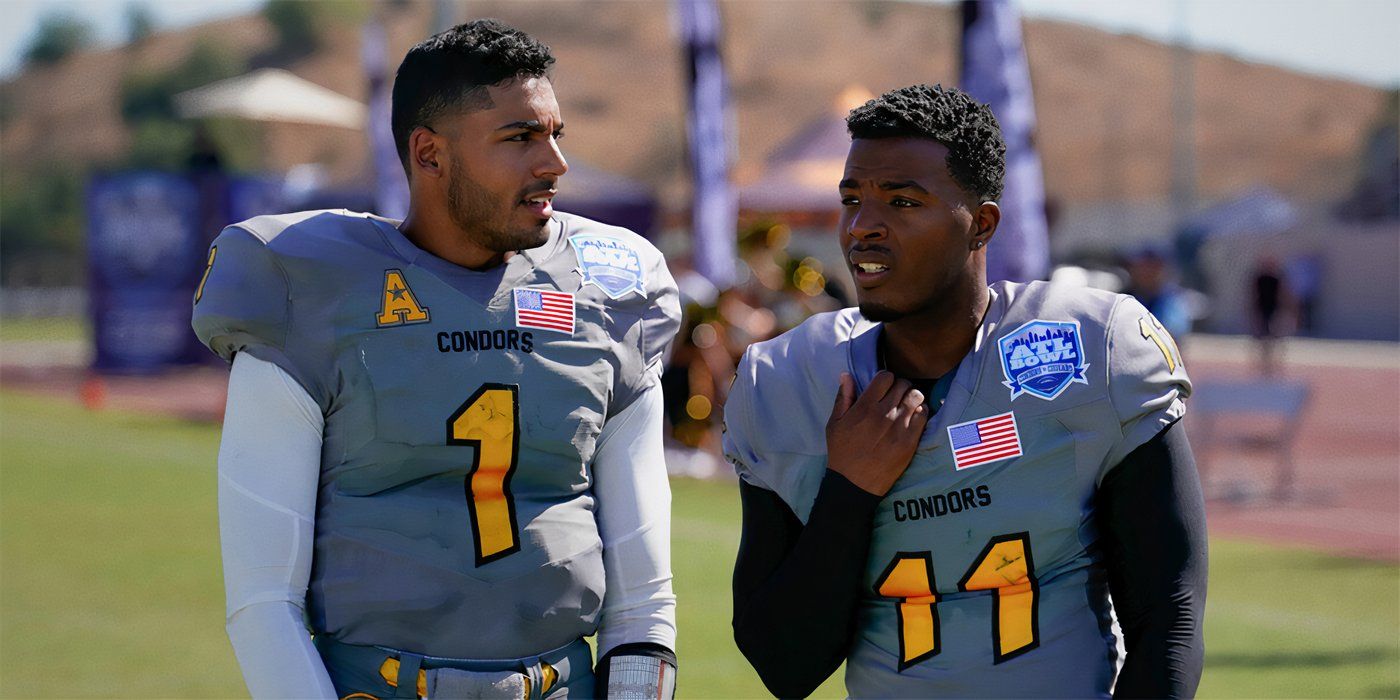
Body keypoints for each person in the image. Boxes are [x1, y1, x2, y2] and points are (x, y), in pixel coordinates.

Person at [193, 20, 679, 699]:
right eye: (520, 138)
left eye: (554, 135)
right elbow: (262, 603)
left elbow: (644, 599)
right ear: (429, 154)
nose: (554, 164)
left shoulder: (602, 293)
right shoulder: (309, 288)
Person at [724, 84, 1207, 698]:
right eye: (852, 199)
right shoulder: (790, 379)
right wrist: (848, 491)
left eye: (902, 201)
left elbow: (1169, 618)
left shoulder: (1094, 349)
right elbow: (784, 665)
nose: (861, 227)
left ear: (980, 223)